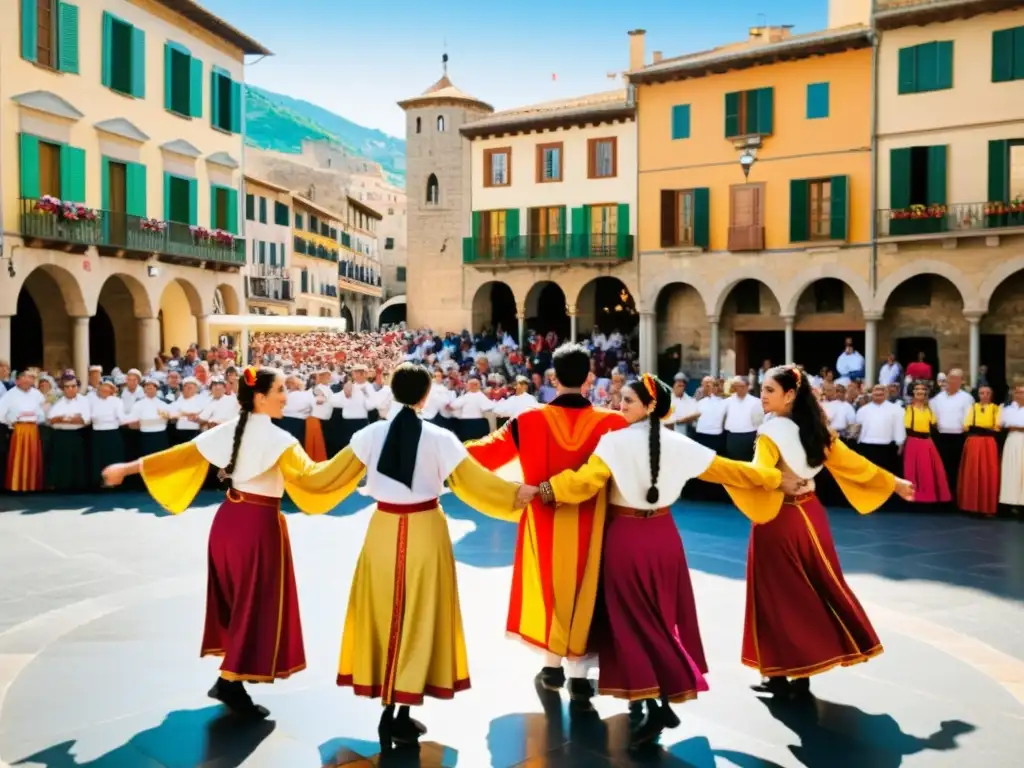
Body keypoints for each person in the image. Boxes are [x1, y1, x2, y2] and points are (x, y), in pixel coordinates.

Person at [101, 366, 368, 719]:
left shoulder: (234, 431)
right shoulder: (280, 441)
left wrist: (126, 468)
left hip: (228, 522)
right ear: (260, 397)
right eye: (280, 391)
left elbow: (178, 456)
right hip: (257, 526)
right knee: (253, 602)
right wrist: (359, 454)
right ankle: (230, 680)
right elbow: (315, 479)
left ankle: (232, 678)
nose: (286, 396)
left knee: (239, 600)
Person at [532, 374, 781, 746]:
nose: (620, 406)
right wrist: (775, 479)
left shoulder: (614, 442)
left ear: (649, 406)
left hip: (626, 540)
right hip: (664, 537)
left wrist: (543, 490)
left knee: (633, 623)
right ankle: (655, 699)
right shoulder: (681, 444)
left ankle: (655, 703)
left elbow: (584, 482)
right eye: (620, 399)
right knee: (660, 619)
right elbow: (733, 471)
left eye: (628, 401)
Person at [336, 363, 528, 751]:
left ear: (391, 391)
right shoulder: (441, 437)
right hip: (425, 527)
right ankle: (402, 712)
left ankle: (388, 703)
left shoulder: (369, 435)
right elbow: (476, 484)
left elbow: (327, 476)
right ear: (426, 396)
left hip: (383, 530)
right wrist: (518, 497)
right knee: (421, 612)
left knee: (382, 609)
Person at [466, 343, 627, 711]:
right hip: (595, 523)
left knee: (550, 591)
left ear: (552, 377)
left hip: (543, 522)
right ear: (590, 378)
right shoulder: (614, 424)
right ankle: (580, 679)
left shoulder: (527, 421)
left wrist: (438, 447)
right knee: (588, 596)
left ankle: (552, 668)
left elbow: (482, 454)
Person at [739, 366, 914, 700]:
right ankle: (794, 675)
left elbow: (760, 475)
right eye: (762, 389)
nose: (762, 395)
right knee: (814, 587)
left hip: (778, 520)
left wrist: (733, 474)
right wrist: (894, 482)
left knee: (777, 595)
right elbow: (853, 463)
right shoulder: (816, 430)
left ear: (789, 395)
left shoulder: (771, 433)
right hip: (811, 515)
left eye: (770, 390)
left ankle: (782, 673)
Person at [902, 380, 951, 507]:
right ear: (912, 392)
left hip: (927, 443)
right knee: (912, 471)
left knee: (928, 471)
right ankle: (913, 498)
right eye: (917, 389)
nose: (920, 391)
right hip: (913, 442)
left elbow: (935, 424)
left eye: (923, 389)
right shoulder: (908, 409)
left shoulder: (929, 411)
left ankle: (928, 498)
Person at [957, 385, 1001, 517]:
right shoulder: (973, 408)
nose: (985, 395)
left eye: (988, 393)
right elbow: (966, 426)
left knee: (988, 473)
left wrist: (983, 428)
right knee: (973, 473)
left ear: (991, 395)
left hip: (988, 443)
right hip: (974, 442)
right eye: (982, 393)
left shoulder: (995, 409)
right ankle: (971, 505)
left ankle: (987, 507)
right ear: (978, 395)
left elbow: (997, 427)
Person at [46, 373, 92, 492]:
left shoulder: (83, 401)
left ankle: (78, 487)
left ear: (77, 387)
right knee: (62, 462)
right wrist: (72, 418)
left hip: (77, 435)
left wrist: (62, 418)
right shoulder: (59, 401)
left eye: (73, 386)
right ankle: (62, 486)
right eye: (67, 387)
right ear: (63, 388)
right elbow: (51, 420)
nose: (70, 389)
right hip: (61, 436)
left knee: (77, 462)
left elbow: (84, 420)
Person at [999, 383, 1024, 517]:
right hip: (1012, 441)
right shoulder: (1007, 409)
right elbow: (1002, 425)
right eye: (1018, 392)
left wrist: (1017, 427)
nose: (1020, 395)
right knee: (1012, 471)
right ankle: (1011, 503)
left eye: (1022, 392)